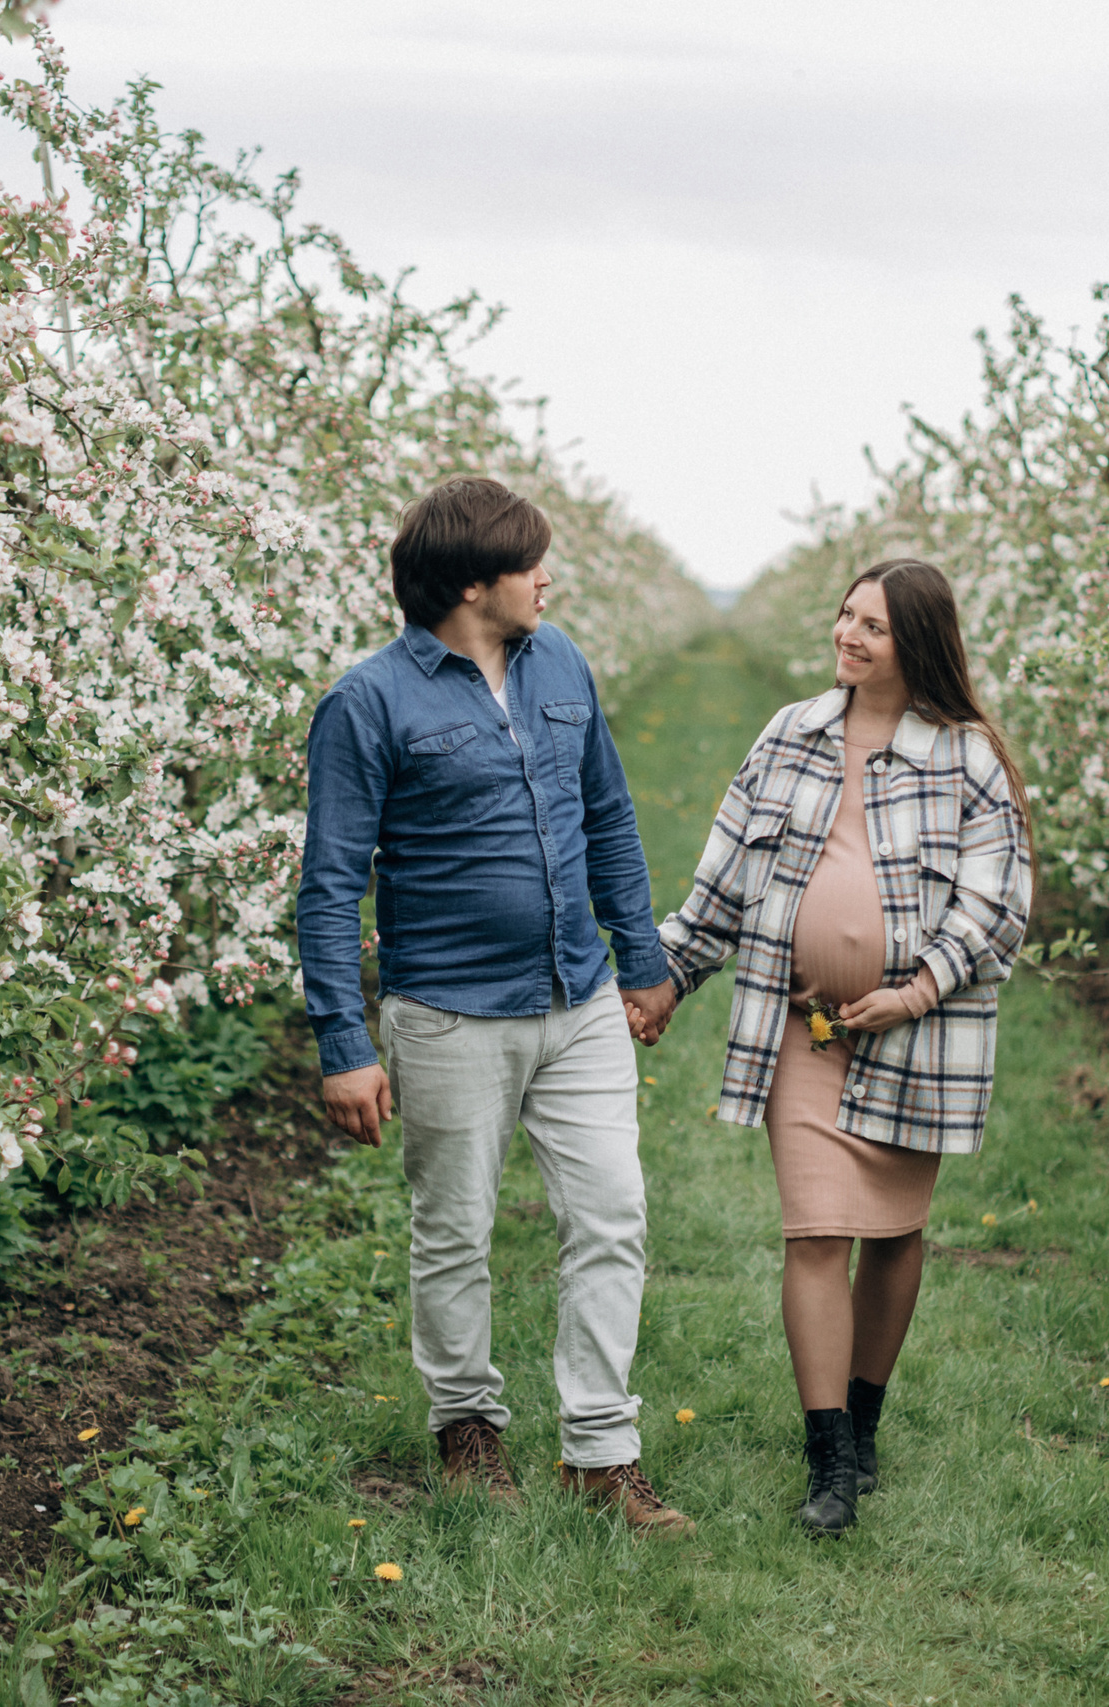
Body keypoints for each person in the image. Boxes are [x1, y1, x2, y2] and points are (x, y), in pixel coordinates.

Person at [295, 476, 692, 1534]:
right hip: (450, 1013)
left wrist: (642, 958)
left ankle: (600, 1452)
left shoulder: (560, 662)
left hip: (578, 997)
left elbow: (606, 812)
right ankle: (467, 1424)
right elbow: (331, 883)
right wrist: (343, 1040)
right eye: (531, 565)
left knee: (610, 1215)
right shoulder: (367, 702)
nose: (548, 578)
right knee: (454, 1231)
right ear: (475, 585)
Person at [638, 558, 1031, 1536]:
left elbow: (995, 908)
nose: (849, 637)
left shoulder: (967, 757)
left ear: (919, 645)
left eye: (874, 627)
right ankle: (828, 1464)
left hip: (920, 1034)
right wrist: (666, 979)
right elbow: (725, 874)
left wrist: (915, 990)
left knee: (892, 1234)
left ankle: (863, 1420)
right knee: (815, 1232)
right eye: (845, 617)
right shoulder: (791, 732)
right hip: (805, 1028)